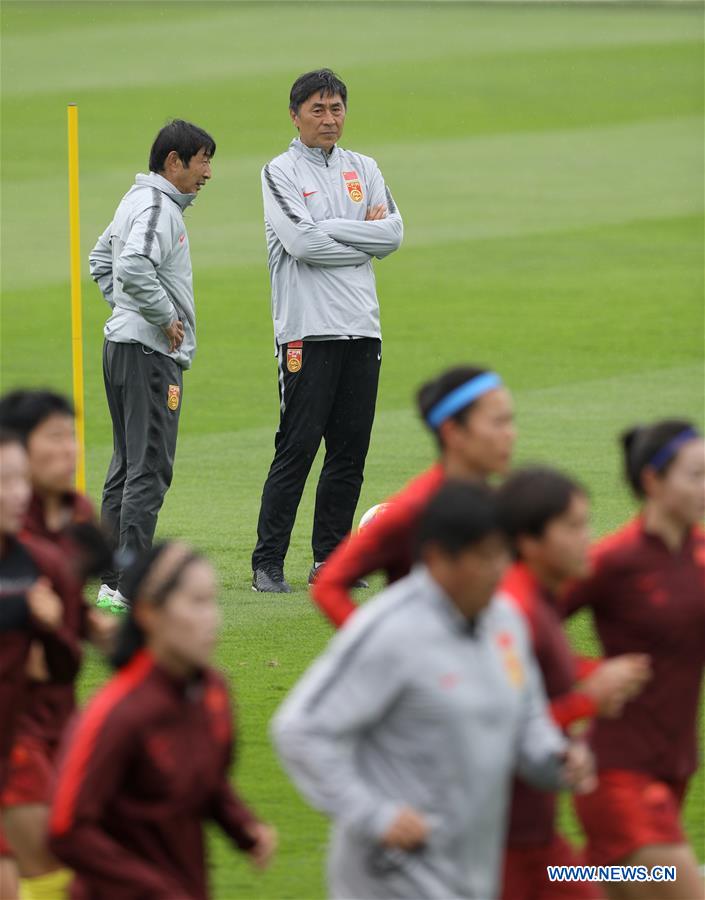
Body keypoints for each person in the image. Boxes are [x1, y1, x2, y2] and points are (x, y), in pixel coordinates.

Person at [273, 481, 595, 900]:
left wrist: (557, 757)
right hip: (390, 877)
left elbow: (526, 719)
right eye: (485, 557)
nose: (500, 570)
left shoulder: (505, 623)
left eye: (503, 554)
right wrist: (373, 815)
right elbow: (299, 730)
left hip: (471, 867)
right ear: (438, 558)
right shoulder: (390, 631)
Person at [49, 541, 276, 899]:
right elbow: (66, 829)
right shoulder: (116, 713)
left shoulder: (212, 691)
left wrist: (241, 827)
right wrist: (153, 891)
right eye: (196, 603)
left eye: (212, 601)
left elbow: (205, 776)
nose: (212, 618)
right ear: (148, 614)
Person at [252, 68, 403, 593]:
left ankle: (331, 563)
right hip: (306, 330)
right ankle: (267, 564)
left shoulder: (365, 167)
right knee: (297, 447)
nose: (329, 118)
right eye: (317, 109)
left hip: (362, 329)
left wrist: (334, 229)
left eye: (336, 108)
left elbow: (394, 235)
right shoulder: (279, 171)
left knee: (349, 452)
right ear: (295, 116)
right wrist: (363, 239)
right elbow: (300, 244)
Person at [560, 420, 705, 900]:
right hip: (619, 773)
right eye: (696, 475)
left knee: (611, 885)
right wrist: (588, 675)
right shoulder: (614, 561)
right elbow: (520, 625)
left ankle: (549, 882)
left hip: (676, 764)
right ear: (653, 482)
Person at [496, 467, 652, 900]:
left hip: (537, 838)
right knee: (666, 879)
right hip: (495, 846)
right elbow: (497, 727)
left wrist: (592, 674)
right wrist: (587, 700)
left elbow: (542, 672)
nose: (589, 537)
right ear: (529, 541)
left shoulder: (537, 599)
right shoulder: (518, 609)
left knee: (653, 880)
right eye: (573, 527)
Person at [89, 119, 215, 609]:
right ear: (173, 162)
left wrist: (126, 310)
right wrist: (161, 317)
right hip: (147, 354)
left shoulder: (133, 200)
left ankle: (110, 580)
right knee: (149, 468)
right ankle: (129, 586)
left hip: (122, 347)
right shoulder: (160, 206)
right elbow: (130, 266)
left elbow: (102, 261)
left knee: (125, 465)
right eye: (202, 160)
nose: (207, 173)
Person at [0, 392, 113, 899]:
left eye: (72, 436)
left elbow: (66, 611)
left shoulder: (78, 517)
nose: (71, 450)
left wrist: (87, 624)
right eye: (56, 437)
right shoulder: (12, 533)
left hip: (60, 714)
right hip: (14, 719)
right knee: (50, 860)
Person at [311, 364, 516, 625]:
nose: (511, 434)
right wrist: (386, 646)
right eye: (498, 422)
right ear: (453, 432)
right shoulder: (415, 508)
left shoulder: (502, 502)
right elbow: (329, 586)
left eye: (511, 421)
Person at [0, 429, 80, 900]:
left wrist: (52, 632)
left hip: (19, 748)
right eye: (4, 482)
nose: (16, 495)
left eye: (20, 481)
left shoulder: (44, 563)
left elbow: (68, 665)